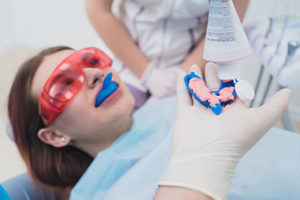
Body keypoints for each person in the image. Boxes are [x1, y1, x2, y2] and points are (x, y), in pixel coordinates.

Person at [2, 46, 292, 200]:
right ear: (54, 136)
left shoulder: (175, 106)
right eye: (64, 85)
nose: (95, 74)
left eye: (91, 59)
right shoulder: (99, 194)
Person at [84, 0, 251, 110]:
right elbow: (98, 10)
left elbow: (228, 22)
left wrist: (182, 77)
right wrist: (148, 74)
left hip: (193, 68)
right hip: (126, 66)